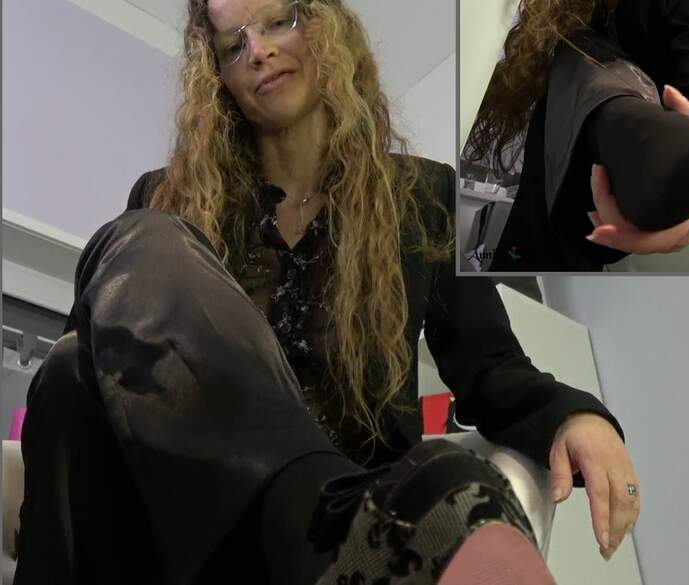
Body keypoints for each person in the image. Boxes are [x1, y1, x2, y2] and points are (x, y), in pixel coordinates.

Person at [13, 1, 640, 583]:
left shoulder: (427, 197)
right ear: (218, 78)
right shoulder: (167, 196)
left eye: (278, 20)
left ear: (325, 27)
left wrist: (573, 414)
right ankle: (321, 522)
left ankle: (341, 529)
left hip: (359, 529)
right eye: (233, 46)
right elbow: (88, 386)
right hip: (189, 548)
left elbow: (492, 365)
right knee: (83, 343)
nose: (258, 52)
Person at [466, 0, 689, 272]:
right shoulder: (582, 33)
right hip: (599, 183)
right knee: (571, 55)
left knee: (576, 52)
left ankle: (653, 149)